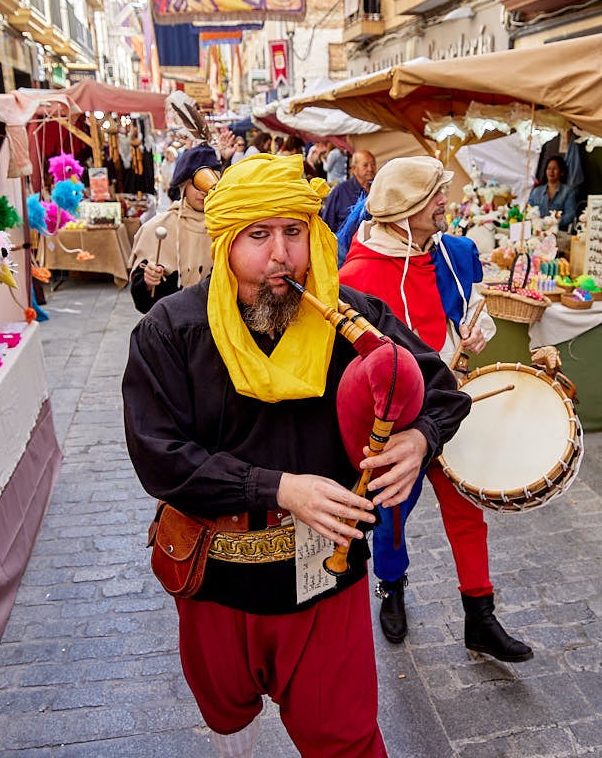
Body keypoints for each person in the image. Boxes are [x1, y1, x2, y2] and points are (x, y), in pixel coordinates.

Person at [122, 153, 470, 757]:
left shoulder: (353, 321)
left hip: (324, 579)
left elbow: (441, 390)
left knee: (346, 739)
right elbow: (160, 456)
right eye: (258, 235)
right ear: (227, 241)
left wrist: (420, 439)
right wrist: (280, 489)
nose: (280, 255)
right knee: (225, 715)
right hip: (215, 580)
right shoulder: (171, 330)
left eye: (294, 232)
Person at [337, 156, 533, 661]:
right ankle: (392, 587)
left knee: (467, 509)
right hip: (397, 419)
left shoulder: (457, 253)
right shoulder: (357, 272)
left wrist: (475, 332)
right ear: (406, 210)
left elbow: (468, 310)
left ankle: (479, 615)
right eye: (435, 195)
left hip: (450, 403)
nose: (446, 202)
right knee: (391, 514)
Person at [127, 144, 220, 314]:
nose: (202, 192)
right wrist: (148, 282)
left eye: (208, 184)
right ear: (184, 185)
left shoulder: (226, 226)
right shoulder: (157, 227)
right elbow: (142, 301)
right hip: (173, 325)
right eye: (196, 184)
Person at [322, 149, 376, 233]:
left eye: (373, 164)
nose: (370, 169)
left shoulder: (378, 190)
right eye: (365, 165)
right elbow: (326, 224)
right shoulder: (340, 191)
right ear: (354, 169)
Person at [527, 156, 578, 233]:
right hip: (537, 231)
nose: (551, 172)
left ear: (562, 172)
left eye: (554, 169)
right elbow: (528, 209)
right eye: (548, 168)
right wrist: (537, 221)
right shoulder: (536, 191)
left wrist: (554, 221)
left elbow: (570, 215)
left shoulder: (568, 191)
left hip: (558, 232)